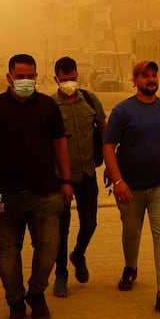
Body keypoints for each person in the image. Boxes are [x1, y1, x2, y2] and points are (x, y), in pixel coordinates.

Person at [0, 53, 73, 319]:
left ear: (36, 77)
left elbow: (60, 145)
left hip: (46, 193)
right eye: (20, 77)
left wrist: (66, 181)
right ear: (9, 78)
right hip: (4, 196)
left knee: (50, 247)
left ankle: (36, 293)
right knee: (7, 251)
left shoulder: (49, 107)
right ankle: (16, 303)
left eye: (30, 76)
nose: (26, 81)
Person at [103, 60, 160, 314]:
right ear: (134, 80)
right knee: (131, 232)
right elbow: (108, 147)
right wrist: (118, 181)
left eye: (154, 75)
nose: (151, 79)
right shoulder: (123, 111)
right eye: (145, 76)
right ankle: (131, 268)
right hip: (130, 187)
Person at [51, 56, 107, 297]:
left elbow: (105, 134)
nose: (70, 83)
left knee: (90, 222)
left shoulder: (91, 101)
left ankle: (79, 253)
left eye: (73, 78)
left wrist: (111, 169)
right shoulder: (50, 106)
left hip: (87, 173)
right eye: (65, 80)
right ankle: (61, 275)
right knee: (60, 230)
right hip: (61, 178)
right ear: (56, 79)